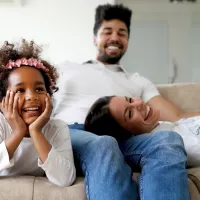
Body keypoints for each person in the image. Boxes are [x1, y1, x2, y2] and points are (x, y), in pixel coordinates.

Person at [53, 3, 192, 200]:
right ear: (95, 38)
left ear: (127, 40)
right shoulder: (65, 68)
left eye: (122, 33)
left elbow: (177, 117)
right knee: (104, 144)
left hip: (123, 138)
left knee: (167, 140)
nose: (115, 37)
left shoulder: (138, 81)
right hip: (73, 132)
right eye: (107, 31)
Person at [0, 40, 76, 187]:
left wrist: (35, 131)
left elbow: (65, 179)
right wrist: (18, 132)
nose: (32, 97)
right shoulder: (1, 125)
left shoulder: (57, 128)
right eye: (20, 90)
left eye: (39, 89)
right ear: (3, 101)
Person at [85, 95, 200, 167]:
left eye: (130, 100)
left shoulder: (165, 126)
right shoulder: (172, 144)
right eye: (130, 113)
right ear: (127, 134)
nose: (139, 103)